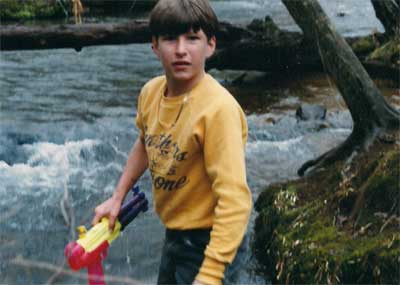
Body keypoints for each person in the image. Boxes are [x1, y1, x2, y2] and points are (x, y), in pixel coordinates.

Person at [91, 0, 252, 284]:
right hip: (175, 233)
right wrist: (117, 198)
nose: (180, 50)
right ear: (154, 45)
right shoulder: (151, 93)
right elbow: (146, 142)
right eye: (169, 39)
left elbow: (235, 201)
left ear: (210, 45)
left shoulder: (218, 110)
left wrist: (212, 273)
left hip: (214, 240)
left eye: (192, 38)